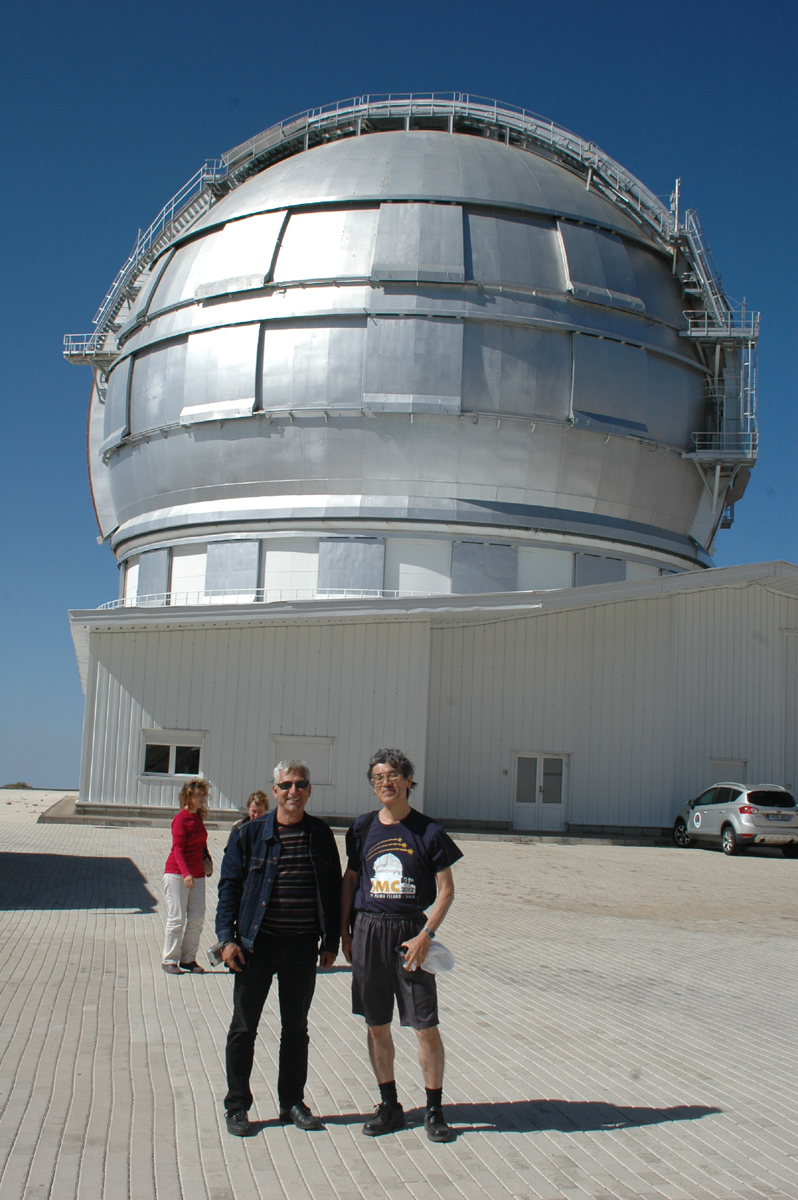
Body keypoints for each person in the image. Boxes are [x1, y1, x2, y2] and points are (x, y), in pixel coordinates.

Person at [341, 749, 463, 1143]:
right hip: (368, 930)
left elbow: (446, 891)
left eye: (393, 775)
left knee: (425, 1026)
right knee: (376, 1024)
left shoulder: (429, 831)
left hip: (410, 934)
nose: (385, 783)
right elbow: (350, 880)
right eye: (377, 777)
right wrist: (345, 933)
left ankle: (434, 1110)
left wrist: (425, 935)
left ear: (408, 780)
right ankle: (389, 1105)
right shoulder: (362, 828)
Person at [216, 760, 341, 1137]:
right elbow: (228, 888)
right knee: (243, 1028)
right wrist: (226, 940)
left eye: (301, 784)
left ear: (309, 790)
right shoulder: (249, 833)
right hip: (256, 945)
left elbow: (332, 890)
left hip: (302, 946)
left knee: (296, 1029)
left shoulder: (320, 834)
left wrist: (331, 941)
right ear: (275, 791)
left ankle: (291, 1103)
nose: (293, 791)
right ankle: (237, 1106)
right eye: (286, 785)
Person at [162, 778, 210, 975]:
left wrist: (207, 863)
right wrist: (185, 873)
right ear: (188, 797)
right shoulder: (181, 819)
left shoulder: (197, 818)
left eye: (203, 795)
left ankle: (188, 958)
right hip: (177, 873)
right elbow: (177, 848)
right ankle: (169, 960)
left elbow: (201, 844)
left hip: (198, 874)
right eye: (198, 795)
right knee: (177, 917)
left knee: (197, 918)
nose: (202, 799)